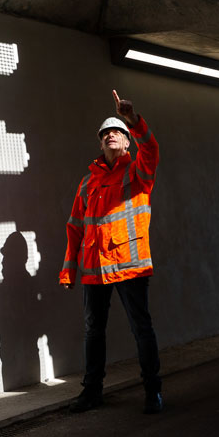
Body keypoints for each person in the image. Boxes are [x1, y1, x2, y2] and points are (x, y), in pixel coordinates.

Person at [62, 90, 163, 414]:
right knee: (94, 332)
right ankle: (92, 392)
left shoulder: (138, 173)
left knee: (141, 329)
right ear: (100, 143)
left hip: (129, 265)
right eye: (105, 133)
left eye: (116, 131)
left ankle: (152, 391)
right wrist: (69, 269)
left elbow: (152, 148)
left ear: (127, 140)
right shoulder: (87, 182)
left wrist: (132, 118)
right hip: (94, 268)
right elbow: (75, 225)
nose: (110, 135)